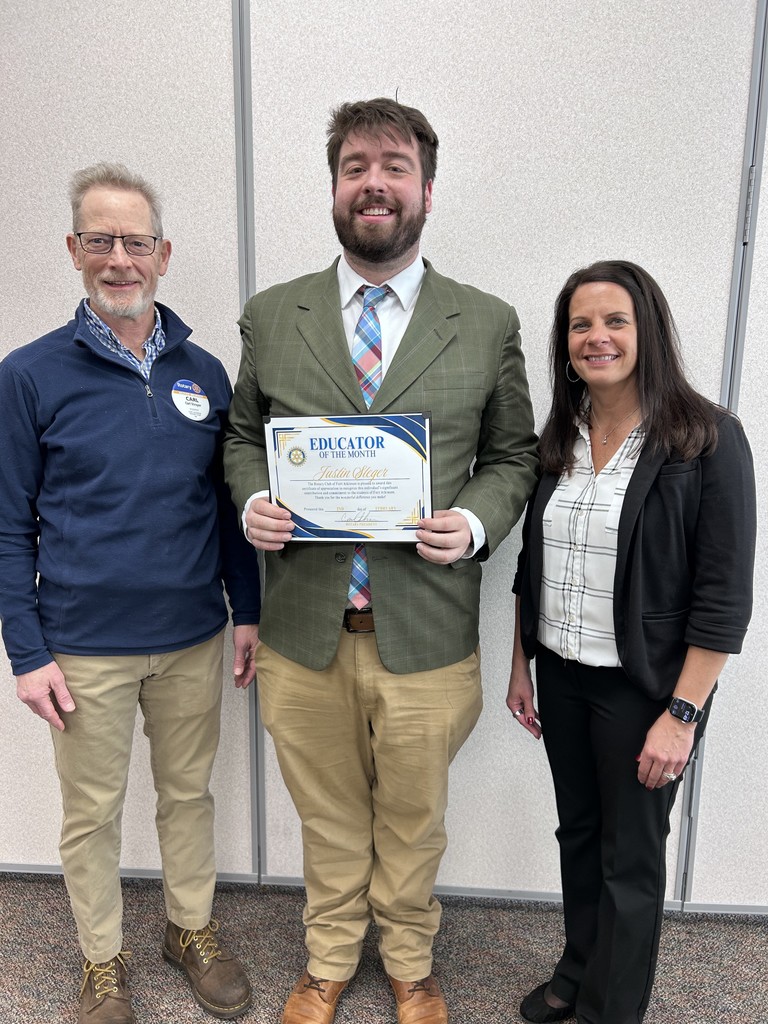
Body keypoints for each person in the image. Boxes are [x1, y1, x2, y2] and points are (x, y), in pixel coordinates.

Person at [224, 98, 538, 1024]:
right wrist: (253, 501)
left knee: (412, 820)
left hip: (428, 627)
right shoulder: (275, 314)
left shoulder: (484, 320)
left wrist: (475, 523)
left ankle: (408, 961)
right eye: (356, 166)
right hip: (303, 629)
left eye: (394, 166)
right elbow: (244, 437)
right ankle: (327, 958)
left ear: (426, 192)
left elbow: (514, 457)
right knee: (327, 817)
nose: (375, 182)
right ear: (333, 188)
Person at [0, 163, 261, 1024]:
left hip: (192, 634)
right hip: (82, 646)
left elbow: (226, 509)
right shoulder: (28, 376)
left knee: (189, 796)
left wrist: (247, 610)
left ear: (164, 254)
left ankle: (188, 929)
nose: (121, 258)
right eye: (102, 240)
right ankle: (101, 960)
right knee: (93, 812)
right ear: (74, 250)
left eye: (137, 241)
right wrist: (27, 651)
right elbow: (7, 526)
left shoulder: (208, 373)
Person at [506, 260, 756, 1024]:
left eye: (614, 320)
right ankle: (579, 971)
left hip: (645, 687)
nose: (597, 337)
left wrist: (682, 715)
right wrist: (521, 665)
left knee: (633, 859)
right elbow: (534, 561)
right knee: (579, 834)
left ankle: (609, 1012)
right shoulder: (562, 437)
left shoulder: (706, 437)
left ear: (647, 329)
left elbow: (723, 597)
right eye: (581, 324)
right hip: (564, 675)